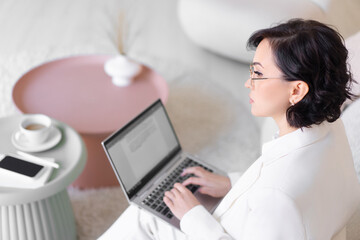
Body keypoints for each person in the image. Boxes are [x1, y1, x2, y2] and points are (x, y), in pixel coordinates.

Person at [99, 19, 360, 240]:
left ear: (296, 90)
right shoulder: (329, 125)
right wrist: (232, 184)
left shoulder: (276, 198)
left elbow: (277, 196)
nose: (249, 83)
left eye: (258, 73)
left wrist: (193, 217)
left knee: (145, 216)